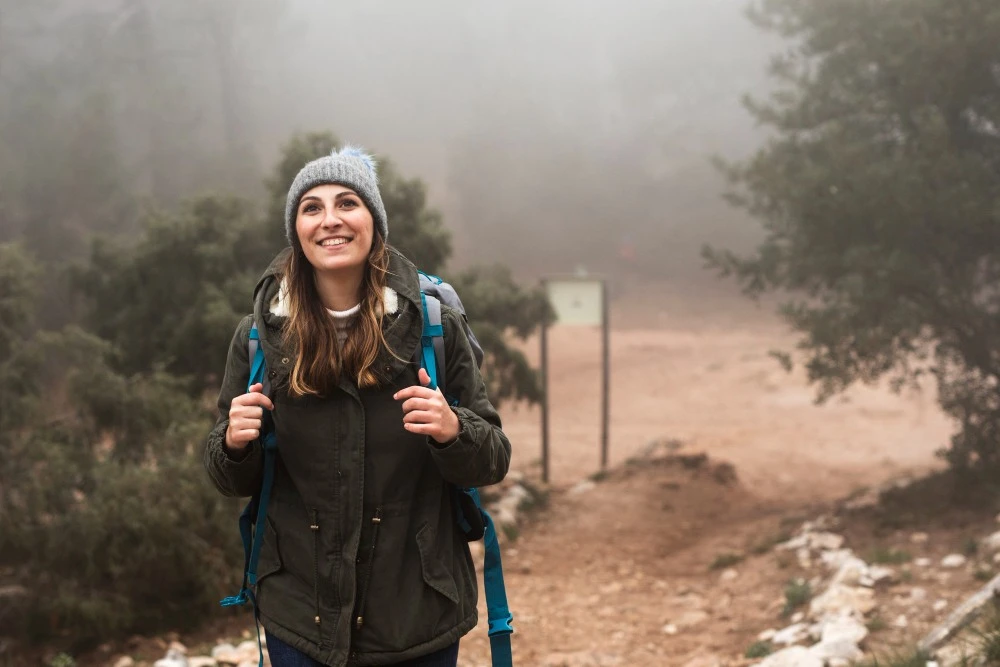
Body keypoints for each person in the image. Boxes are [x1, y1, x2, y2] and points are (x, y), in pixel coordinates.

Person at [204, 146, 512, 667]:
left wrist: (452, 429)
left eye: (347, 203)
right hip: (300, 616)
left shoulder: (433, 327)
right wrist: (234, 443)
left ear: (374, 223)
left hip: (417, 614)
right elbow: (229, 477)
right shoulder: (259, 336)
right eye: (312, 208)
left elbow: (493, 459)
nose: (330, 220)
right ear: (297, 231)